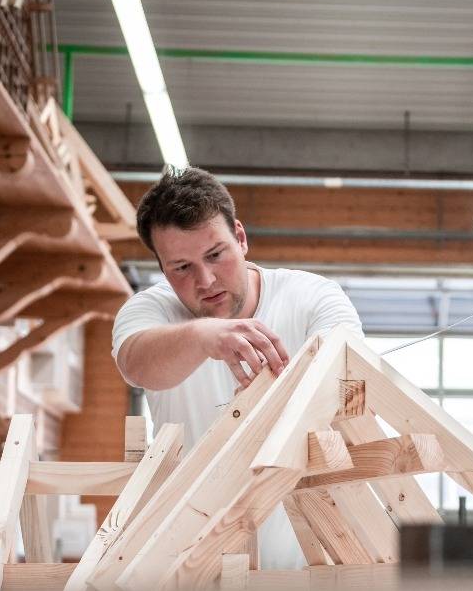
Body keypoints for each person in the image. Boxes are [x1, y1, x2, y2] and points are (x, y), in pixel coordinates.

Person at [111, 166, 363, 570]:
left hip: (306, 567)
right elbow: (135, 365)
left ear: (241, 238)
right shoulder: (151, 309)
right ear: (163, 269)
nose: (206, 279)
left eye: (215, 255)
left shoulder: (311, 296)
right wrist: (203, 336)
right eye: (181, 268)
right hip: (185, 567)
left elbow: (350, 379)